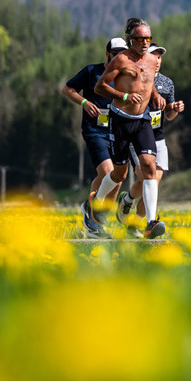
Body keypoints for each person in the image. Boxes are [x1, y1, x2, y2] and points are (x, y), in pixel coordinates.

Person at [94, 18, 168, 238]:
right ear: (130, 40)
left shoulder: (153, 60)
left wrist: (155, 96)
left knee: (149, 168)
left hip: (143, 121)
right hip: (120, 120)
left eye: (148, 38)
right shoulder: (120, 60)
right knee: (120, 173)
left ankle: (151, 222)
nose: (145, 43)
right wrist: (123, 96)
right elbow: (100, 88)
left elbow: (148, 81)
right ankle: (95, 203)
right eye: (140, 39)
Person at [116, 44, 184, 236]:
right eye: (154, 56)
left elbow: (168, 115)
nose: (158, 60)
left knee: (153, 182)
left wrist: (175, 109)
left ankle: (133, 220)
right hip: (136, 135)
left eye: (160, 57)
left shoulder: (167, 83)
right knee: (148, 178)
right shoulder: (135, 78)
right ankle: (137, 212)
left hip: (158, 138)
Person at [64, 37, 128, 238]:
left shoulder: (125, 76)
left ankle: (95, 221)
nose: (119, 57)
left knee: (116, 178)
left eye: (123, 54)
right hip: (94, 130)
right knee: (108, 171)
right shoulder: (92, 71)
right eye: (115, 53)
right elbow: (68, 89)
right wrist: (84, 102)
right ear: (107, 54)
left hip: (116, 131)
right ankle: (92, 212)